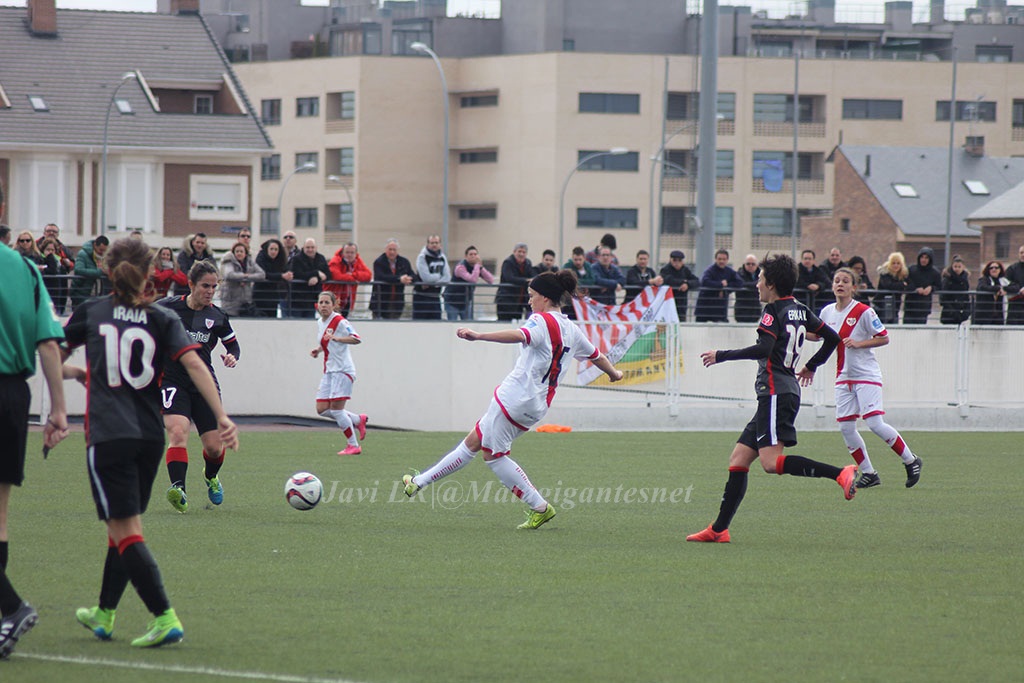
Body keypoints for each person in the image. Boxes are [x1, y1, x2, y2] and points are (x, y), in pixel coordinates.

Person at [64, 238, 238, 649]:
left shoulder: (93, 310)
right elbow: (195, 362)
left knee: (126, 532)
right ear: (150, 274)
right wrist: (225, 416)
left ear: (108, 270)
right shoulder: (161, 316)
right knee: (123, 526)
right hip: (148, 438)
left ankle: (164, 616)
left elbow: (51, 347)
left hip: (109, 434)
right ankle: (104, 612)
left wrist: (70, 380)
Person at [401, 270, 623, 529]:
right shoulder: (571, 329)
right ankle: (417, 483)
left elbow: (520, 335)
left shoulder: (540, 321)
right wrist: (614, 374)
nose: (529, 301)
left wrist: (479, 335)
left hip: (514, 399)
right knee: (474, 441)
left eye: (532, 296)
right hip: (536, 405)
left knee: (494, 456)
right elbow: (597, 356)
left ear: (545, 297)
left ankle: (539, 506)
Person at [686, 254, 853, 544]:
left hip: (776, 392)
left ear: (772, 284)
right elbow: (833, 338)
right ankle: (718, 529)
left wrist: (721, 355)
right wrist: (812, 366)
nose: (757, 283)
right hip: (781, 392)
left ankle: (840, 473)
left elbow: (764, 348)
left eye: (760, 278)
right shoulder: (800, 309)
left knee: (770, 463)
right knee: (739, 459)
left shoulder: (772, 310)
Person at [0, 180, 69, 658]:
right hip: (12, 396)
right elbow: (49, 341)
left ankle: (10, 607)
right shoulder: (24, 267)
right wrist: (59, 410)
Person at [817, 267, 923, 489]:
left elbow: (884, 338)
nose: (840, 284)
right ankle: (869, 473)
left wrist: (858, 343)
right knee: (846, 427)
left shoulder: (864, 311)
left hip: (866, 375)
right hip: (843, 376)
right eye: (836, 280)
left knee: (874, 423)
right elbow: (817, 335)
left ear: (854, 287)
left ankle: (911, 460)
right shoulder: (827, 312)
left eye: (845, 281)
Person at [158, 261, 240, 514]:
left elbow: (233, 345)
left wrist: (232, 356)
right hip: (172, 381)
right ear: (191, 284)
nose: (210, 291)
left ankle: (211, 476)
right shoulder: (165, 308)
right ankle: (178, 489)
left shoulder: (217, 316)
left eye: (214, 287)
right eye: (205, 286)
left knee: (214, 447)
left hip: (204, 385)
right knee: (178, 433)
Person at [311, 291, 367, 456]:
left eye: (327, 302)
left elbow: (357, 338)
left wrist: (338, 338)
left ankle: (353, 445)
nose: (323, 306)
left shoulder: (340, 321)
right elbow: (327, 341)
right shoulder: (320, 322)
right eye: (321, 302)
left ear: (334, 304)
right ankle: (357, 420)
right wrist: (319, 350)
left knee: (336, 410)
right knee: (321, 408)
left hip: (343, 370)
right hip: (329, 371)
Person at [445, 245, 494, 321]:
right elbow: (472, 280)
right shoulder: (460, 267)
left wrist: (481, 267)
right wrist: (477, 265)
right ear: (465, 256)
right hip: (452, 301)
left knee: (468, 325)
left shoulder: (477, 268)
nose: (473, 256)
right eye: (471, 254)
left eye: (475, 254)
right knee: (452, 323)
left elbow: (491, 280)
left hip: (466, 302)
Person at [370, 239, 415, 320]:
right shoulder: (379, 262)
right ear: (385, 250)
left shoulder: (404, 262)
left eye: (394, 250)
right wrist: (399, 279)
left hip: (397, 302)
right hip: (380, 302)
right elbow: (381, 276)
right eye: (390, 249)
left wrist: (408, 278)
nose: (392, 252)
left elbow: (413, 275)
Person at [219, 241, 265, 317]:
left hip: (245, 303)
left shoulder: (250, 262)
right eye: (237, 251)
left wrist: (247, 277)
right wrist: (243, 276)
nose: (239, 253)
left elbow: (262, 274)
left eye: (241, 251)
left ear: (245, 253)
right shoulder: (228, 261)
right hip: (230, 301)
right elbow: (229, 274)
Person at [695, 249, 743, 322]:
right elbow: (705, 281)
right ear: (715, 259)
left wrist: (726, 287)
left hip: (720, 310)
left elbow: (739, 282)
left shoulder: (729, 271)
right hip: (704, 309)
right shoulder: (710, 270)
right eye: (719, 259)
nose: (721, 261)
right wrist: (720, 284)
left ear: (727, 260)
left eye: (724, 259)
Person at [325, 243, 372, 318]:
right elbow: (337, 276)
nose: (349, 255)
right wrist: (353, 279)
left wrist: (353, 275)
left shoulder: (357, 261)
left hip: (348, 300)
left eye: (352, 252)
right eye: (347, 252)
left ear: (356, 253)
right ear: (343, 253)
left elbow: (368, 275)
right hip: (333, 301)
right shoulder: (335, 261)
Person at [36, 223, 74, 314]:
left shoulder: (64, 248)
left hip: (59, 285)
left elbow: (72, 264)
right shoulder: (35, 245)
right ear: (44, 233)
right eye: (49, 231)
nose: (51, 233)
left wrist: (69, 264)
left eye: (54, 231)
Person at [287, 239, 330, 319]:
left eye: (312, 247)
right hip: (297, 300)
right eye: (308, 247)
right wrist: (316, 273)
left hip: (312, 299)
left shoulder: (321, 258)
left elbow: (328, 274)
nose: (310, 249)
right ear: (303, 248)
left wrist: (317, 278)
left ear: (316, 248)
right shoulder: (296, 259)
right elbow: (296, 274)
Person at [412, 235, 451, 320]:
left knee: (436, 324)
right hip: (421, 297)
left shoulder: (442, 257)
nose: (434, 245)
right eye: (432, 243)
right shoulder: (422, 257)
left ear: (440, 244)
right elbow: (426, 278)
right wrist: (439, 276)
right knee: (419, 325)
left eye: (436, 243)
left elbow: (447, 277)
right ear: (428, 244)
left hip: (435, 297)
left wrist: (434, 284)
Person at [254, 238, 293, 318]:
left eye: (276, 249)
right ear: (267, 249)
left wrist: (288, 274)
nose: (273, 252)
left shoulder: (280, 260)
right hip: (260, 295)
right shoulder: (261, 258)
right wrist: (281, 276)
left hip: (273, 297)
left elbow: (285, 270)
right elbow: (263, 274)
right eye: (271, 249)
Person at [70, 235, 110, 309]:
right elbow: (78, 270)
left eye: (105, 251)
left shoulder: (104, 257)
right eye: (101, 250)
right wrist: (100, 272)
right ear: (95, 245)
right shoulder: (82, 254)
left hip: (95, 294)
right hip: (81, 293)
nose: (102, 253)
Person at [495, 243, 533, 321]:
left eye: (524, 252)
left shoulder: (528, 263)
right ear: (514, 252)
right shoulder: (508, 262)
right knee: (503, 326)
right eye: (519, 251)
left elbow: (532, 274)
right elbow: (510, 278)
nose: (521, 254)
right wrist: (526, 281)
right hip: (506, 301)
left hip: (519, 302)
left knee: (515, 327)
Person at [904, 247, 942, 324]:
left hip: (923, 307)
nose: (923, 260)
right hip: (910, 306)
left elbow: (940, 286)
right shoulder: (911, 269)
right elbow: (906, 284)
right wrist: (916, 289)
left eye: (926, 258)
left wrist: (931, 288)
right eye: (922, 257)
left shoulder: (935, 273)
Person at [659, 250, 698, 322]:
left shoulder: (685, 270)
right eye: (674, 260)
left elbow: (696, 281)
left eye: (679, 260)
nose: (677, 263)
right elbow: (668, 280)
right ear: (670, 260)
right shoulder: (665, 270)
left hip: (681, 305)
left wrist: (687, 284)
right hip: (668, 304)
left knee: (681, 324)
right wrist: (683, 282)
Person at [874, 252, 909, 325]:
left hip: (895, 306)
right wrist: (902, 285)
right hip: (882, 306)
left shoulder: (902, 275)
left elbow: (909, 285)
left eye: (898, 263)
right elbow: (889, 285)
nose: (896, 265)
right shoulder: (885, 274)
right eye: (893, 263)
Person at [939, 256, 972, 325]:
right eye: (955, 266)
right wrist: (952, 311)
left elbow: (966, 296)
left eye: (959, 267)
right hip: (948, 313)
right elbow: (943, 298)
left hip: (960, 312)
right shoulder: (947, 279)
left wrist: (967, 311)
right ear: (952, 267)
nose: (957, 269)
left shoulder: (965, 279)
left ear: (963, 267)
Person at [973, 260, 1006, 326]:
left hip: (998, 316)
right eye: (991, 268)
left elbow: (1015, 286)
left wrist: (1005, 289)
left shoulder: (1003, 280)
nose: (994, 269)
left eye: (996, 268)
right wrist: (998, 288)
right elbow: (982, 287)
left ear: (1000, 270)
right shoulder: (984, 279)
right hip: (984, 316)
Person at [38, 237, 67, 310]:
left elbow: (64, 287)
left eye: (52, 250)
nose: (50, 252)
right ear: (43, 250)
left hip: (56, 299)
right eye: (48, 249)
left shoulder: (60, 266)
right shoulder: (39, 262)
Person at [733, 254, 761, 323]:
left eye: (753, 264)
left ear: (757, 265)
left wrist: (748, 285)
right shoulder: (739, 273)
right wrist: (756, 284)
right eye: (748, 264)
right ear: (744, 264)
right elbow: (740, 284)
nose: (750, 266)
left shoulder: (761, 274)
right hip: (741, 310)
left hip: (755, 310)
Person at [1002, 245, 1024, 325]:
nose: (1023, 255)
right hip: (1015, 306)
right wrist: (1018, 289)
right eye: (1021, 252)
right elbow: (1005, 283)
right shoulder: (1012, 268)